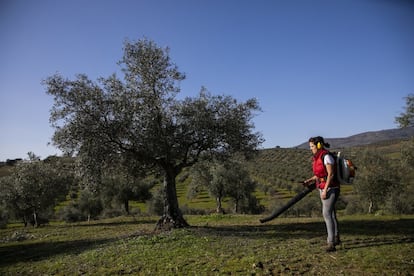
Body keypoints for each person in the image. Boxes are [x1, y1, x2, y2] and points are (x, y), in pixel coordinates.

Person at [303, 136, 341, 252]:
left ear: (319, 145)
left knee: (327, 214)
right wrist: (310, 180)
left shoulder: (326, 157)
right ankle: (336, 237)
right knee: (331, 214)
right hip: (324, 187)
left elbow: (330, 175)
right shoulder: (318, 157)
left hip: (330, 189)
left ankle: (331, 243)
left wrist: (325, 190)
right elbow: (320, 175)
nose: (311, 149)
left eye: (312, 146)